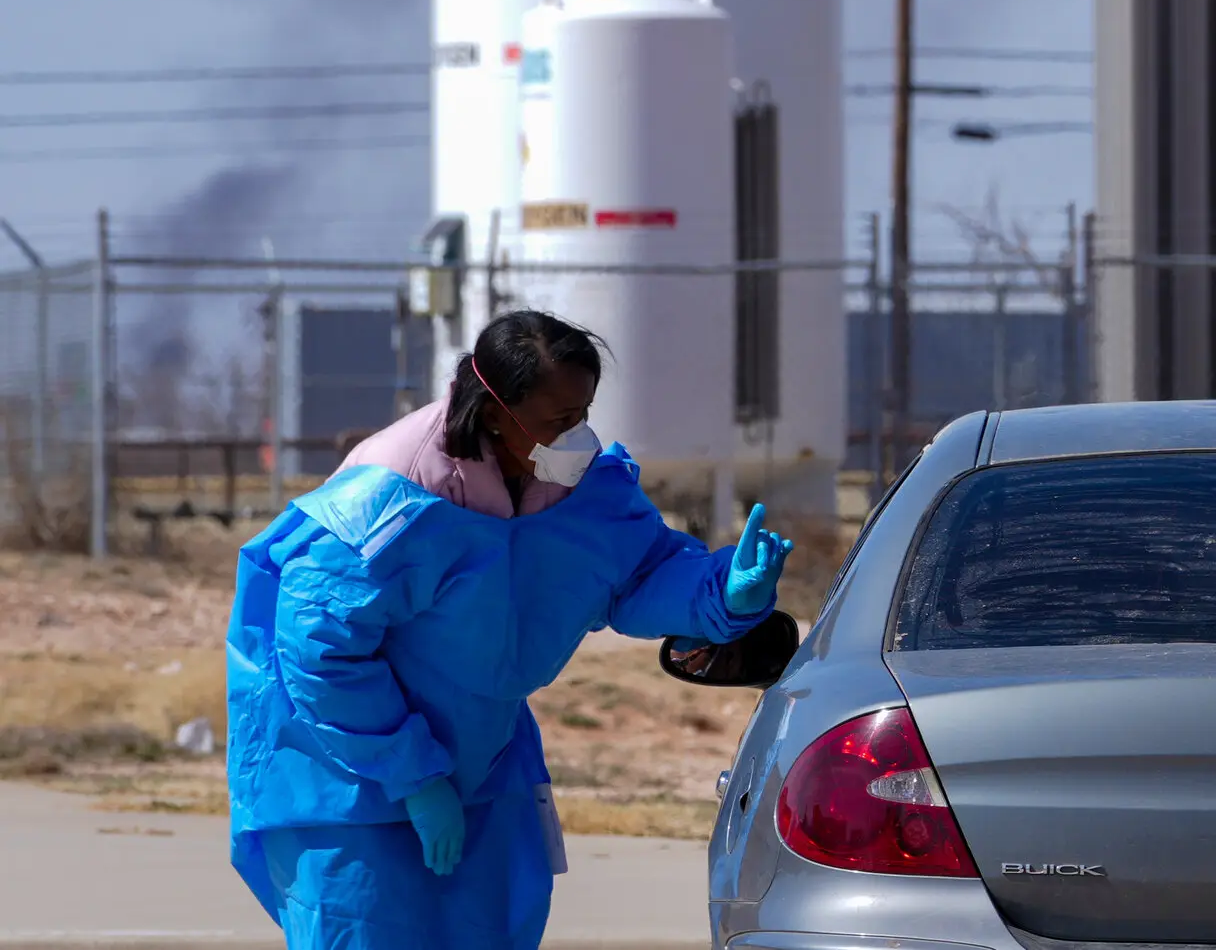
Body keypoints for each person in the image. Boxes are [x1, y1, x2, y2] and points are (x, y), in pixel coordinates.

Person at [224, 310, 792, 950]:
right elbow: (319, 653)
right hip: (346, 775)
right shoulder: (393, 498)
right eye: (558, 422)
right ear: (496, 412)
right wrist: (413, 774)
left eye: (583, 414)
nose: (577, 435)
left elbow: (636, 572)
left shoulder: (574, 482)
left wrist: (722, 592)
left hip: (486, 760)